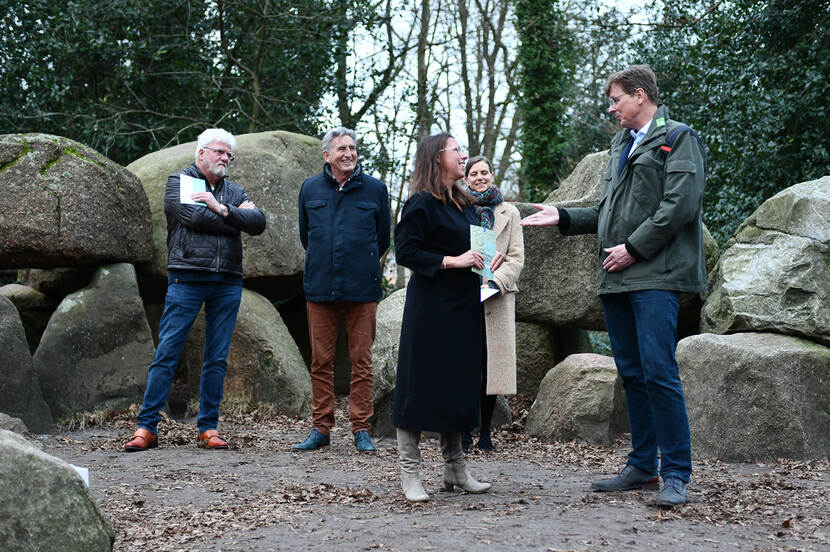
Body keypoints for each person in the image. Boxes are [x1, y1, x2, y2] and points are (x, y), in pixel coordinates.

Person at [521, 64, 706, 507]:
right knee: (633, 374)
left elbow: (680, 204)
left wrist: (634, 249)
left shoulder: (679, 139)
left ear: (640, 96)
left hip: (655, 275)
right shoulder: (622, 143)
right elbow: (609, 209)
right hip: (616, 277)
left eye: (616, 99)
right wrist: (563, 216)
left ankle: (676, 472)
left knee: (660, 371)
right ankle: (643, 466)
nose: (611, 108)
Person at [124, 128, 266, 452]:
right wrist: (233, 218)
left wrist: (221, 208)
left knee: (216, 358)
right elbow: (195, 219)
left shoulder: (233, 190)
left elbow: (257, 222)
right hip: (187, 277)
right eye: (219, 152)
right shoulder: (181, 182)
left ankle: (208, 428)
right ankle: (147, 427)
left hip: (228, 281)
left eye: (229, 155)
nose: (225, 158)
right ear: (201, 153)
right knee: (168, 353)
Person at [393, 133, 499, 502]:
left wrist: (488, 257)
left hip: (463, 306)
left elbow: (475, 247)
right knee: (418, 386)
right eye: (457, 150)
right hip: (431, 308)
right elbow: (405, 250)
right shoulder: (421, 202)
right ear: (437, 157)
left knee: (459, 384)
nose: (464, 155)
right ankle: (409, 473)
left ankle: (455, 467)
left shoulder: (462, 200)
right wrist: (453, 261)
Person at [294, 127, 390, 452]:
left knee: (361, 361)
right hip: (320, 288)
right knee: (321, 362)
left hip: (362, 290)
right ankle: (321, 428)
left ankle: (361, 428)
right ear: (327, 156)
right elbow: (307, 237)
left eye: (352, 148)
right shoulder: (309, 189)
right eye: (341, 149)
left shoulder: (375, 190)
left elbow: (383, 239)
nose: (348, 153)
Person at [462, 155, 524, 453]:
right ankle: (462, 432)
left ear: (492, 174)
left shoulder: (508, 212)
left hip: (496, 296)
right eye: (473, 173)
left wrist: (495, 282)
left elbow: (516, 257)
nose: (480, 177)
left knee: (490, 369)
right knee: (464, 366)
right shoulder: (459, 209)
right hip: (463, 294)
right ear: (466, 178)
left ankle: (485, 433)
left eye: (484, 172)